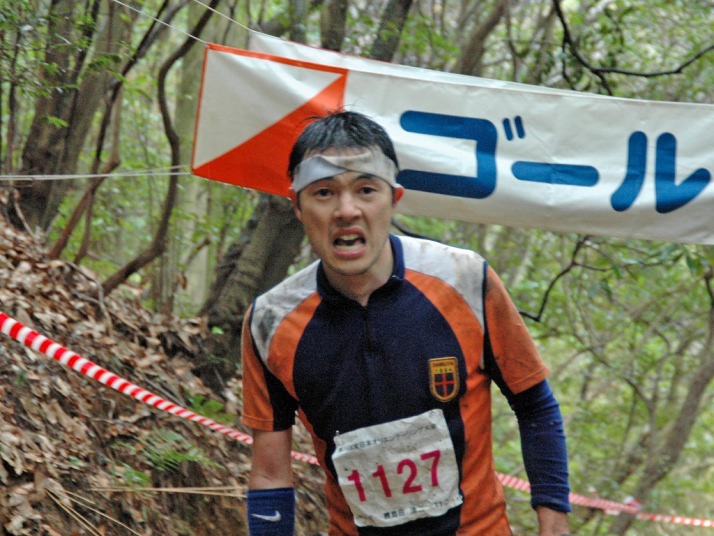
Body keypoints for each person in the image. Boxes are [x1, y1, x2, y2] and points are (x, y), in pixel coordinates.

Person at [241, 110, 571, 535]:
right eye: (324, 193)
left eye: (366, 190)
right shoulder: (268, 322)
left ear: (394, 198)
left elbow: (534, 403)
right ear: (298, 206)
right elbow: (270, 474)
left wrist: (553, 522)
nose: (346, 210)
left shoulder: (465, 279)